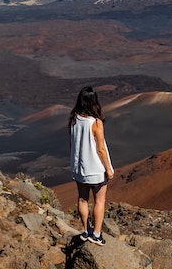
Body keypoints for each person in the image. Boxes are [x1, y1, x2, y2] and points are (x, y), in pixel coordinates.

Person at [68, 86, 114, 245]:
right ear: (94, 101)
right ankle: (96, 234)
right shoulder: (96, 122)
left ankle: (86, 230)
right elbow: (101, 148)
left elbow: (72, 144)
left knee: (82, 199)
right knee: (99, 201)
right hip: (95, 169)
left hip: (78, 168)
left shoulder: (74, 118)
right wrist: (108, 168)